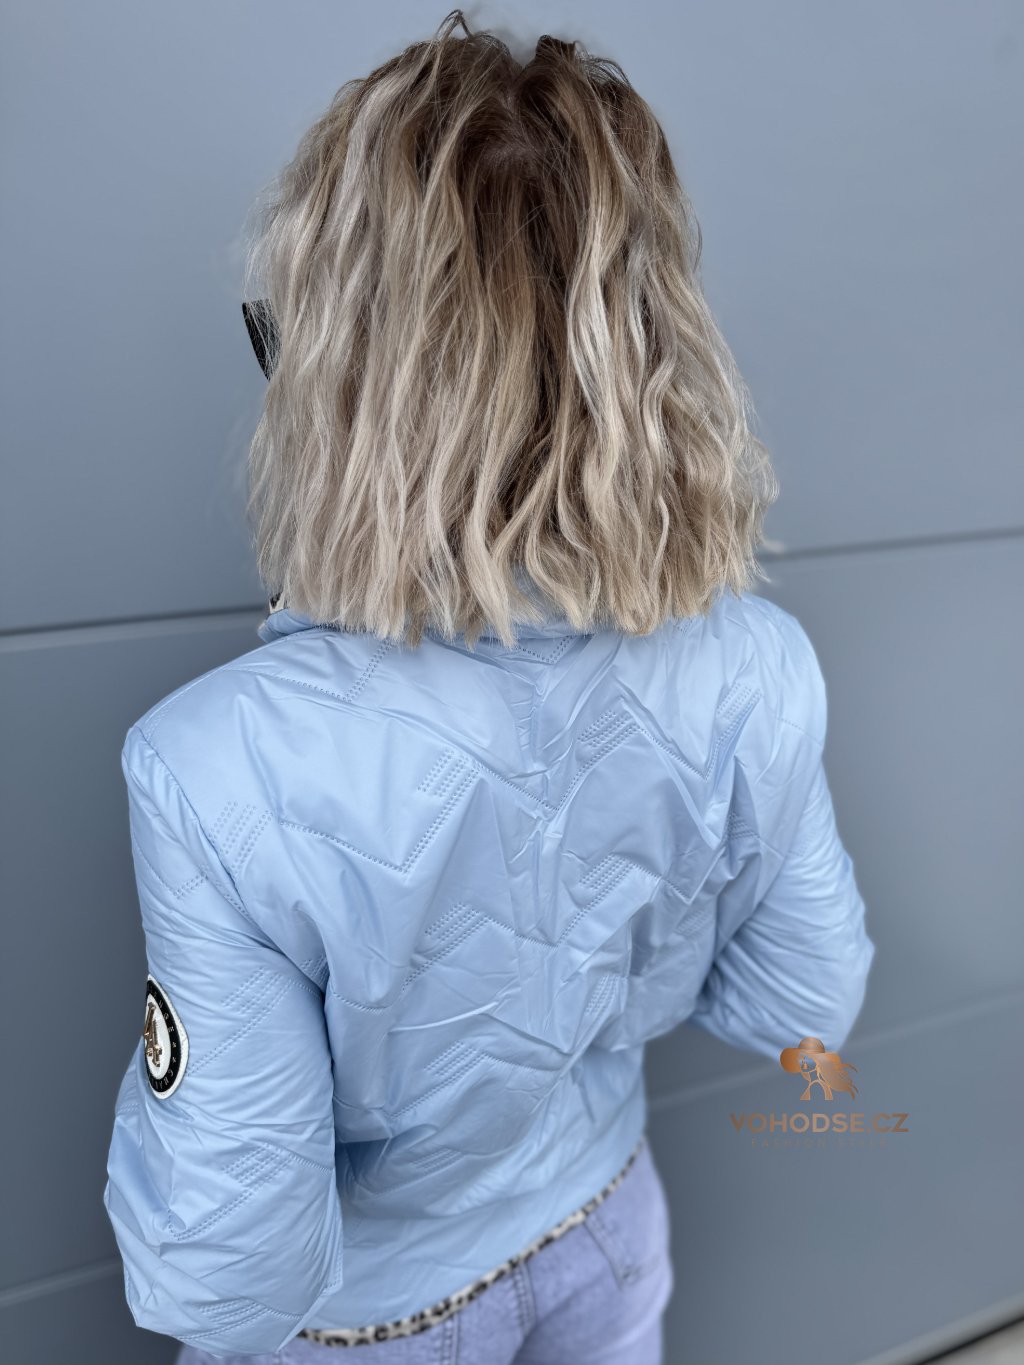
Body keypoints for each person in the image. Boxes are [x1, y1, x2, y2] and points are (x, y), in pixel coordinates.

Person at [103, 10, 876, 1363]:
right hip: (606, 1226)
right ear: (648, 344)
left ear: (343, 373)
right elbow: (804, 1001)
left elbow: (227, 1275)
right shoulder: (756, 665)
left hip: (375, 1319)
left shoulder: (214, 770)